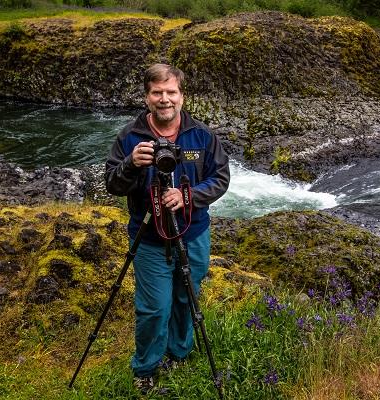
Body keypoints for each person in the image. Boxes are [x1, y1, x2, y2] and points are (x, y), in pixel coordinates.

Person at [104, 64, 230, 394]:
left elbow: (221, 179)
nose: (164, 99)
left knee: (187, 297)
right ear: (147, 97)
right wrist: (131, 163)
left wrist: (188, 196)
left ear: (181, 96)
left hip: (193, 233)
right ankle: (145, 367)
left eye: (171, 92)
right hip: (149, 238)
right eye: (157, 93)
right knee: (154, 308)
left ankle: (179, 351)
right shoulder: (130, 138)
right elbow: (112, 185)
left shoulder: (201, 135)